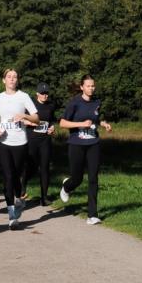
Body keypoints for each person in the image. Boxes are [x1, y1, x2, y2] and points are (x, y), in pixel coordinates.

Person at [0, 69, 38, 228]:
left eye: (14, 77)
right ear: (4, 80)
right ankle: (12, 215)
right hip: (3, 142)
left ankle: (19, 198)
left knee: (16, 176)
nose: (12, 79)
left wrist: (24, 116)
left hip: (20, 142)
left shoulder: (24, 96)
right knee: (8, 176)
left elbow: (36, 118)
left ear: (17, 80)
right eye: (9, 77)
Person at [59, 74, 112, 225]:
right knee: (77, 178)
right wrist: (80, 124)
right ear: (82, 87)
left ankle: (92, 215)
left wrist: (104, 124)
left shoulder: (97, 102)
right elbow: (62, 123)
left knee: (93, 178)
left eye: (93, 86)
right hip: (76, 144)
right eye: (88, 86)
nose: (91, 88)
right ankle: (67, 187)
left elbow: (96, 118)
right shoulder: (75, 102)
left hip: (93, 143)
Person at [21, 82, 56, 206]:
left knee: (45, 167)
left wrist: (52, 128)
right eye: (42, 93)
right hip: (32, 139)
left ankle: (44, 197)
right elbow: (22, 119)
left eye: (46, 93)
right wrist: (32, 123)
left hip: (45, 140)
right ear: (37, 93)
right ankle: (23, 184)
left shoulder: (51, 105)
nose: (45, 95)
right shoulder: (31, 104)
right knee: (32, 166)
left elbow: (51, 121)